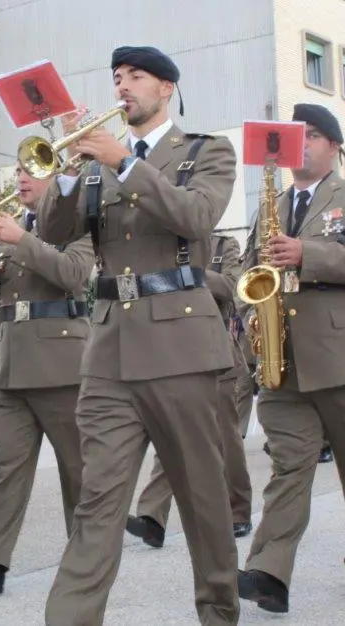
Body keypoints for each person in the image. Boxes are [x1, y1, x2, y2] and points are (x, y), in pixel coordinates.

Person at [38, 45, 240, 625]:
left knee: (202, 497)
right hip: (108, 349)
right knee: (97, 503)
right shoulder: (97, 161)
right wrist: (71, 169)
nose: (122, 86)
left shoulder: (205, 150)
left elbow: (197, 217)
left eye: (136, 77)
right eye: (117, 78)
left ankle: (219, 614)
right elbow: (53, 230)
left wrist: (125, 161)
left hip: (179, 342)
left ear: (167, 88)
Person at [237, 103, 345, 614]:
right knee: (288, 468)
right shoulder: (273, 202)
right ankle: (269, 571)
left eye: (310, 135)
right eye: (294, 136)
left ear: (333, 144)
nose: (300, 144)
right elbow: (248, 272)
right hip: (283, 362)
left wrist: (307, 253)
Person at [0, 164, 94, 594]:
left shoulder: (77, 225)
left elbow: (74, 276)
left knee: (77, 469)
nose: (22, 179)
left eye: (34, 172)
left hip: (60, 361)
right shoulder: (13, 226)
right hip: (10, 363)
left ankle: (87, 559)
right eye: (20, 171)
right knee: (7, 470)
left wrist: (21, 240)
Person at [126, 231, 253, 549]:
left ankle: (238, 512)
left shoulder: (224, 245)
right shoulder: (160, 245)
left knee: (225, 436)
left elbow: (234, 289)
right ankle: (153, 517)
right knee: (170, 434)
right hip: (172, 350)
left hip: (215, 347)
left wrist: (189, 274)